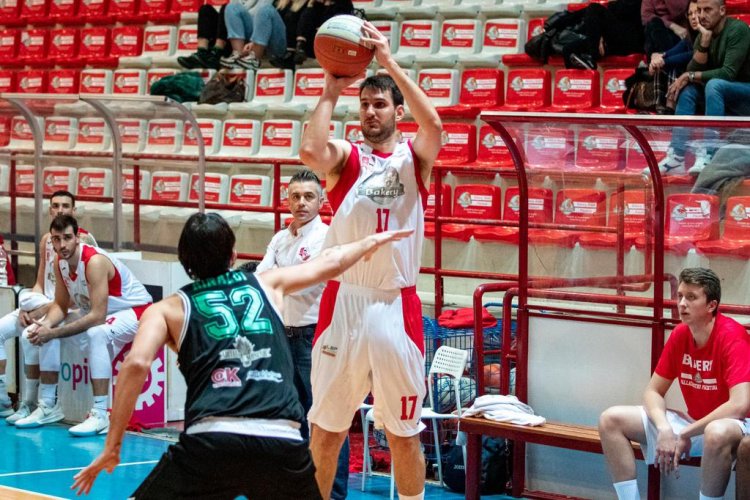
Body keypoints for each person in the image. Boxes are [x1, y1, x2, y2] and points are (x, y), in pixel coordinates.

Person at [71, 212, 411, 498]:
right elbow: (331, 262)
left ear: (184, 261)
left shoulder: (166, 309)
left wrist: (113, 445)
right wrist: (372, 241)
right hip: (281, 439)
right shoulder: (268, 283)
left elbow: (137, 364)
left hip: (211, 440)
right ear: (233, 255)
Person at [298, 21, 443, 500]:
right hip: (344, 302)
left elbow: (435, 126)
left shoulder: (413, 159)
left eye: (379, 104)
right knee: (327, 432)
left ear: (397, 111)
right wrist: (330, 90)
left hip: (393, 306)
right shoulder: (349, 159)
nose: (370, 112)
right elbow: (311, 150)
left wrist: (387, 64)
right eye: (365, 105)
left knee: (403, 433)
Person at [598, 267, 750, 500]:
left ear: (711, 305)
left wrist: (685, 434)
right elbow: (652, 391)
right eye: (679, 296)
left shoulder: (732, 336)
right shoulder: (681, 334)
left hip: (736, 425)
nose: (681, 304)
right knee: (611, 419)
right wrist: (665, 429)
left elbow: (739, 405)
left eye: (691, 297)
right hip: (695, 422)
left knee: (716, 432)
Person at [256, 169, 350, 499]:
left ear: (322, 201)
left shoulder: (327, 237)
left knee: (326, 416)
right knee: (290, 417)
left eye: (309, 196)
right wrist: (285, 278)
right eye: (295, 196)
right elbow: (260, 278)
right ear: (286, 200)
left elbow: (304, 282)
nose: (301, 203)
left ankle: (333, 493)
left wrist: (282, 278)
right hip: (284, 334)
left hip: (316, 336)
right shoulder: (280, 239)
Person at [25, 214, 152, 436]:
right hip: (106, 313)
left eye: (67, 238)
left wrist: (53, 333)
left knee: (96, 334)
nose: (62, 245)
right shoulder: (59, 262)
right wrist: (45, 327)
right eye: (56, 239)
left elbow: (97, 317)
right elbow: (61, 306)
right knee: (42, 328)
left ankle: (101, 414)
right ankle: (47, 405)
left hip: (137, 311)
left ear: (77, 238)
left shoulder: (94, 262)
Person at [0, 191, 96, 425]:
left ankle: (42, 403)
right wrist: (26, 307)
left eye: (65, 205)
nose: (60, 209)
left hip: (69, 308)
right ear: (49, 210)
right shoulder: (46, 240)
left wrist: (43, 311)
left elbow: (81, 293)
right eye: (55, 205)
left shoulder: (85, 242)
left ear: (74, 210)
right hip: (45, 303)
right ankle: (4, 401)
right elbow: (40, 281)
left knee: (32, 334)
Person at [657, 0, 750, 176]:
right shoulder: (703, 35)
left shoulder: (739, 30)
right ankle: (677, 156)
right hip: (725, 96)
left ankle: (710, 152)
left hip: (745, 96)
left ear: (722, 10)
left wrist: (690, 76)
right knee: (689, 90)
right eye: (698, 10)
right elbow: (692, 72)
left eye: (707, 10)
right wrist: (704, 43)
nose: (700, 15)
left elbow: (728, 73)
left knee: (714, 85)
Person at [220, 0, 302, 70]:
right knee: (232, 7)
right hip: (260, 34)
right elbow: (256, 14)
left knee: (266, 9)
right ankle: (238, 56)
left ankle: (254, 60)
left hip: (282, 45)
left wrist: (253, 41)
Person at [648, 0, 699, 77]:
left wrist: (664, 61)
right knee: (653, 25)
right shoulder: (690, 37)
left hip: (703, 79)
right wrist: (659, 56)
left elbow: (692, 54)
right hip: (692, 77)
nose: (693, 17)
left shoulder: (707, 34)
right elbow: (675, 50)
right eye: (690, 14)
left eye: (697, 12)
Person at [177, 3, 230, 70]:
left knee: (227, 8)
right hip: (222, 38)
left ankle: (217, 54)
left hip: (236, 42)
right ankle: (202, 53)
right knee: (205, 9)